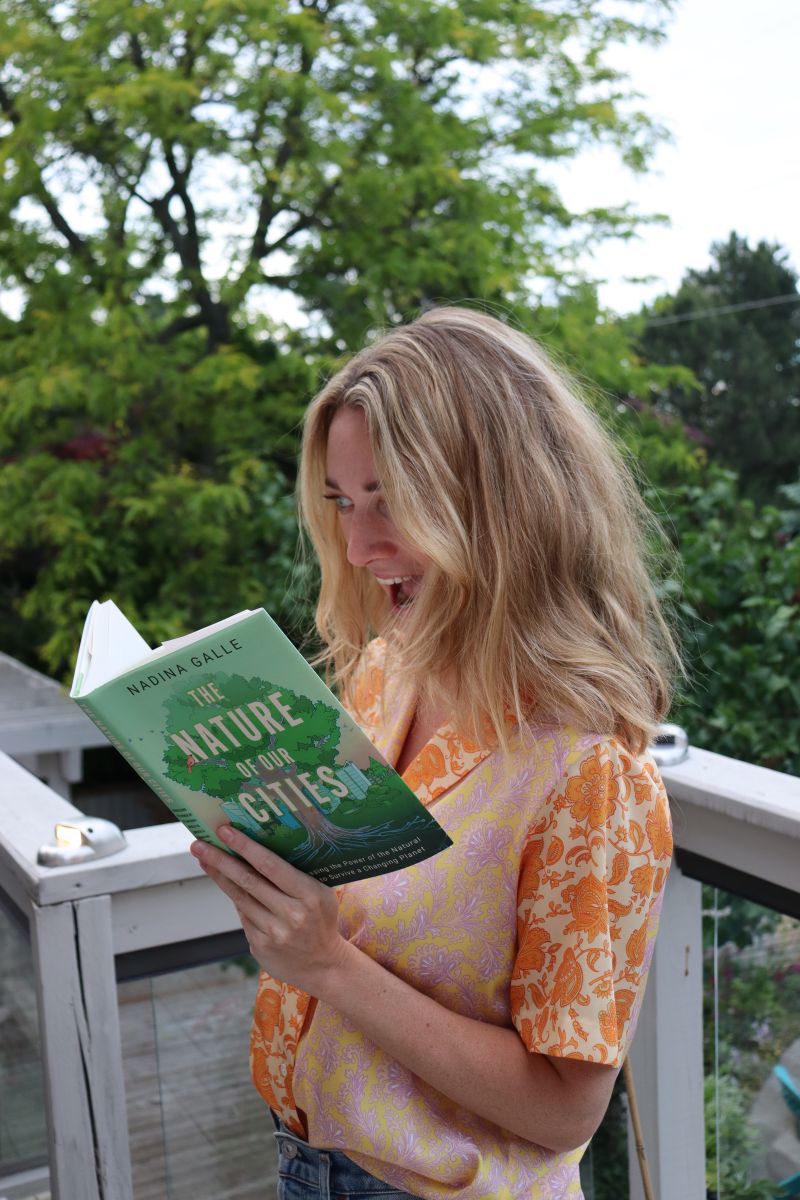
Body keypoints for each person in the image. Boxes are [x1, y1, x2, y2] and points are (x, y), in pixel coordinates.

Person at [191, 307, 679, 1199]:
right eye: (342, 501)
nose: (357, 546)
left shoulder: (588, 771)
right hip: (310, 1166)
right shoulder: (389, 672)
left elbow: (568, 1109)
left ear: (500, 504)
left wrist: (326, 964)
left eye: (390, 500)